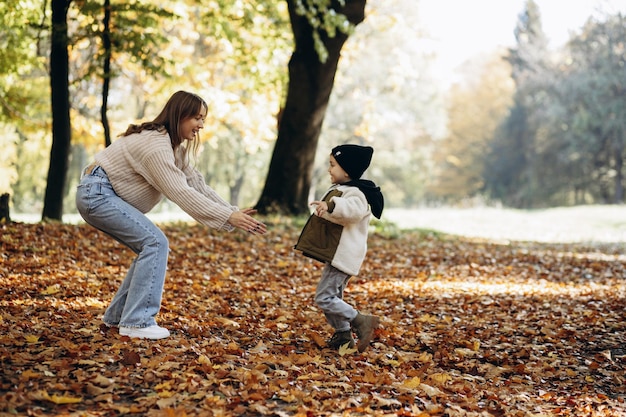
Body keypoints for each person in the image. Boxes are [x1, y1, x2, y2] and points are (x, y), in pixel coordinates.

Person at [76, 90, 267, 340]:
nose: (200, 125)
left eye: (203, 119)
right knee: (155, 243)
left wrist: (230, 211)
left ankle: (118, 318)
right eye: (196, 118)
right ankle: (137, 321)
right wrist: (227, 217)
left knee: (149, 245)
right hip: (97, 194)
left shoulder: (174, 147)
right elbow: (179, 191)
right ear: (179, 114)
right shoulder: (156, 145)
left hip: (99, 193)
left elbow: (196, 184)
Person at [295, 144, 384, 352]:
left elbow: (352, 211)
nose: (329, 169)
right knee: (332, 298)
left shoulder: (357, 193)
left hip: (344, 255)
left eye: (332, 165)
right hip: (337, 255)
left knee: (324, 297)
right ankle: (343, 336)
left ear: (346, 169)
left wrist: (332, 205)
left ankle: (361, 320)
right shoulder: (344, 189)